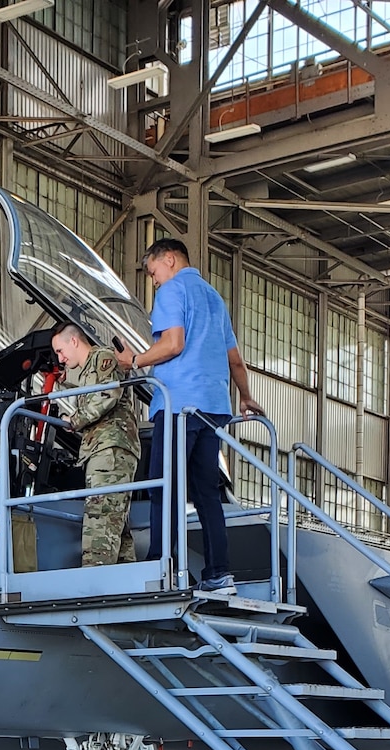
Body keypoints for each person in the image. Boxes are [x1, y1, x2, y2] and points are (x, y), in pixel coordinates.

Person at [115, 238, 264, 596]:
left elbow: (173, 344)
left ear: (169, 259)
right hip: (214, 407)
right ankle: (218, 574)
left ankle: (160, 566)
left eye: (153, 273)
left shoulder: (172, 291)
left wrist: (133, 361)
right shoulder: (214, 297)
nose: (153, 281)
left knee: (162, 487)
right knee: (206, 493)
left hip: (179, 404)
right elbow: (235, 360)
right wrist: (245, 396)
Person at [50, 321, 141, 568]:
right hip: (104, 449)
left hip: (110, 448)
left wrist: (75, 420)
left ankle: (95, 580)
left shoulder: (103, 357)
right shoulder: (90, 367)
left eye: (60, 351)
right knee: (114, 521)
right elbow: (86, 384)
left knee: (99, 518)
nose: (60, 358)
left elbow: (107, 394)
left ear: (74, 341)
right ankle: (125, 578)